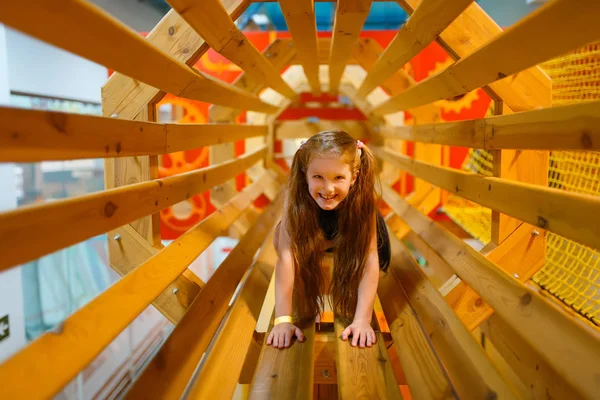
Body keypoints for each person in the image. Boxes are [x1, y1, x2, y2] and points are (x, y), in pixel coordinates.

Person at [267, 130, 391, 350]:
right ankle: (324, 244)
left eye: (338, 178)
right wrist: (283, 321)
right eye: (318, 177)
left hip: (351, 234)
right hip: (318, 230)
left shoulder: (363, 204)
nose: (328, 188)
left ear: (354, 177)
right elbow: (286, 256)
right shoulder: (296, 199)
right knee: (280, 235)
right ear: (305, 174)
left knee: (358, 254)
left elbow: (370, 257)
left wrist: (362, 319)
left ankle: (333, 245)